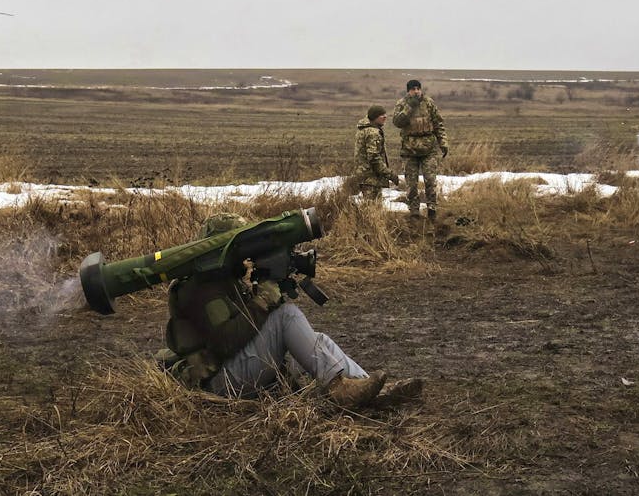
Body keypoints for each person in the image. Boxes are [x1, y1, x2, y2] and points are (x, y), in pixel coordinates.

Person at [160, 212, 422, 407]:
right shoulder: (201, 288)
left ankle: (368, 389)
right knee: (286, 317)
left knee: (318, 341)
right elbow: (226, 342)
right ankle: (338, 389)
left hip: (231, 374)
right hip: (219, 386)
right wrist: (263, 302)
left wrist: (261, 297)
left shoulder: (219, 281)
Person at [392, 79, 448, 219]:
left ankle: (432, 208)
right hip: (410, 149)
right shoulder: (402, 104)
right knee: (411, 182)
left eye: (418, 88)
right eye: (413, 89)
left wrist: (443, 143)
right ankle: (414, 211)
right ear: (408, 91)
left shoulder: (429, 103)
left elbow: (438, 124)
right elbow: (397, 122)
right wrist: (409, 107)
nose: (416, 91)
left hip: (428, 148)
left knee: (430, 180)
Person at [354, 105, 399, 199]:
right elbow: (374, 158)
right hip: (371, 177)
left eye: (385, 114)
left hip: (365, 176)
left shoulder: (363, 130)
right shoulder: (372, 133)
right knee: (372, 208)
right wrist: (390, 174)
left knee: (371, 207)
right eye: (381, 115)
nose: (385, 117)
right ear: (374, 117)